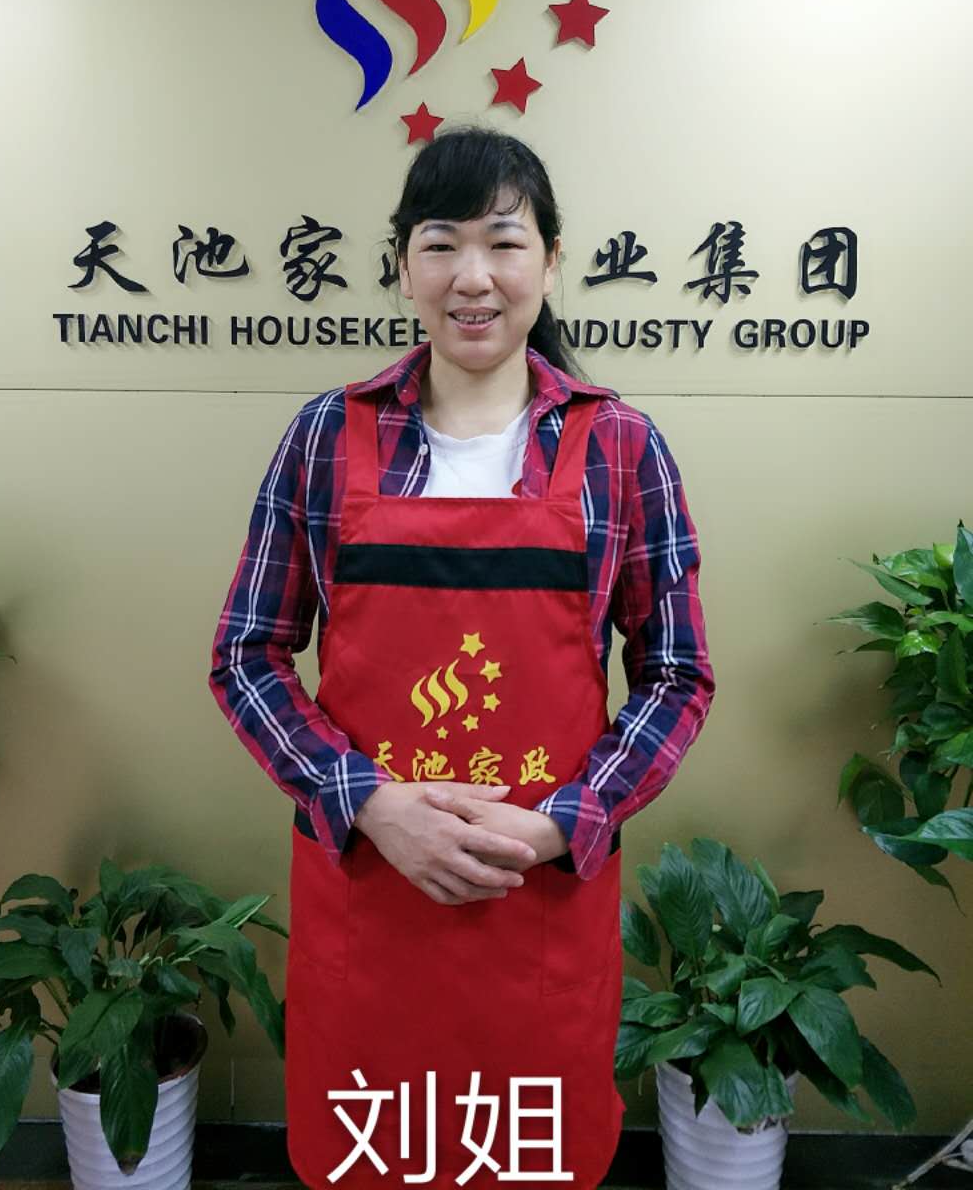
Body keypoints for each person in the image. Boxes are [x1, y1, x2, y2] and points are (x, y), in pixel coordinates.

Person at [209, 127, 715, 1190]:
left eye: (504, 242)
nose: (472, 277)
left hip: (540, 906)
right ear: (403, 266)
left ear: (552, 261)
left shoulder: (620, 447)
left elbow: (676, 676)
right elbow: (248, 656)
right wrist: (368, 802)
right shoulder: (326, 436)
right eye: (441, 244)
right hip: (370, 897)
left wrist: (563, 823)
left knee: (531, 1160)